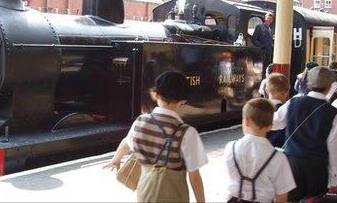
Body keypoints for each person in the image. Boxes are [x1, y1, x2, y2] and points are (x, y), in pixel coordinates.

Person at [104, 71, 207, 202]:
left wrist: (116, 159)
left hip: (145, 193)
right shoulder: (187, 132)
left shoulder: (140, 122)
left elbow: (126, 143)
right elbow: (195, 176)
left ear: (156, 95)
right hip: (174, 196)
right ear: (183, 101)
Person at [272, 66, 337, 201]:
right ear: (329, 87)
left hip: (291, 165)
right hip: (316, 169)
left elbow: (275, 122)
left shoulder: (293, 102)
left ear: (309, 83)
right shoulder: (333, 114)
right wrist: (334, 181)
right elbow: (336, 150)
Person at [222, 98, 296, 202]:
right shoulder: (278, 158)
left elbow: (228, 175)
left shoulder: (231, 148)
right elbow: (282, 196)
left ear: (246, 121)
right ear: (270, 126)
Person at [265, 73, 290, 148]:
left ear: (266, 90)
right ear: (286, 92)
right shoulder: (289, 111)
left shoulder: (260, 109)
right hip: (280, 153)